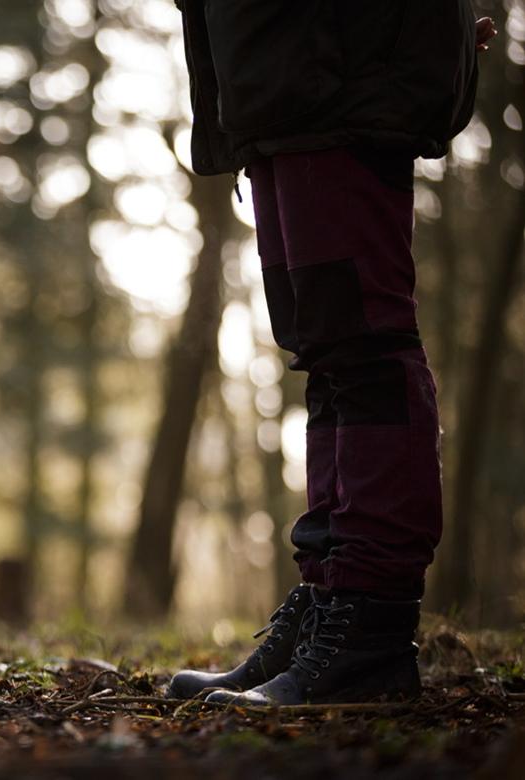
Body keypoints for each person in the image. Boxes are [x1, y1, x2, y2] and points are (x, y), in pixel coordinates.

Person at [166, 2, 496, 705]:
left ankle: (369, 626)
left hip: (341, 64)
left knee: (365, 349)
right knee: (323, 355)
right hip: (272, 81)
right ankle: (327, 601)